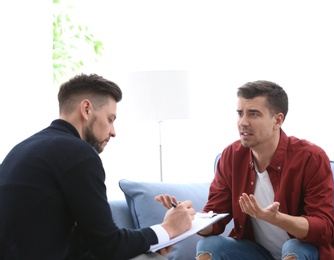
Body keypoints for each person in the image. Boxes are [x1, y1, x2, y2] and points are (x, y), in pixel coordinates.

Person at [0, 74, 195, 260]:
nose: (113, 132)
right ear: (86, 109)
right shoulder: (78, 153)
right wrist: (169, 228)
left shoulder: (24, 149)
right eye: (110, 119)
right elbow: (108, 245)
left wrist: (151, 241)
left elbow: (83, 241)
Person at [157, 80, 334, 260]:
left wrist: (277, 219)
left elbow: (324, 228)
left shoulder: (310, 157)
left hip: (307, 253)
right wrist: (191, 220)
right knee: (209, 245)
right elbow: (215, 218)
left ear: (278, 120)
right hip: (257, 253)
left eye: (253, 114)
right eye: (240, 113)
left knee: (294, 246)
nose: (243, 122)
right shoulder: (232, 156)